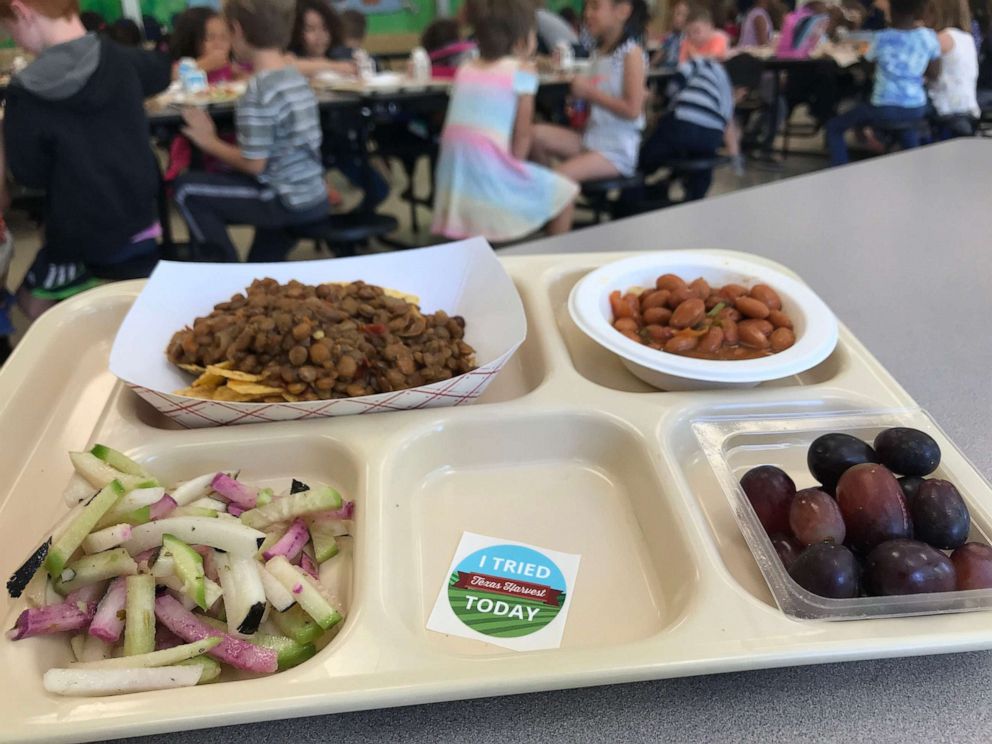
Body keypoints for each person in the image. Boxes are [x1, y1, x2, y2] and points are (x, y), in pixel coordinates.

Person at [0, 0, 171, 320]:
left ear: (22, 12)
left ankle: (84, 348)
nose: (12, 38)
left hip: (78, 235)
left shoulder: (24, 91)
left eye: (8, 29)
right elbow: (161, 72)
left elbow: (30, 175)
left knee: (32, 301)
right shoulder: (124, 58)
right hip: (142, 218)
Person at [174, 0, 328, 262]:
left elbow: (255, 165)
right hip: (314, 194)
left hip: (284, 198)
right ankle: (258, 274)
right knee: (262, 265)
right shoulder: (296, 78)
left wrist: (208, 141)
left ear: (237, 30)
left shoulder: (258, 91)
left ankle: (226, 272)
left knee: (186, 190)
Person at [431, 0, 578, 242]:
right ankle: (549, 259)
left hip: (453, 182)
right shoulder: (522, 70)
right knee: (566, 195)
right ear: (522, 41)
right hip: (491, 177)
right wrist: (516, 167)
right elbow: (523, 134)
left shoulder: (466, 67)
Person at [531, 0, 649, 234]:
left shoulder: (631, 54)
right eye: (588, 7)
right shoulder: (598, 52)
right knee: (534, 135)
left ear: (623, 11)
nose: (587, 14)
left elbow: (633, 109)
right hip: (591, 137)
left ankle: (557, 246)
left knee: (561, 178)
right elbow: (596, 102)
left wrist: (589, 93)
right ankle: (550, 207)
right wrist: (579, 109)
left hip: (615, 150)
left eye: (596, 7)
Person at [825, 0, 941, 164]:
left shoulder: (880, 39)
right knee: (907, 129)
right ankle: (916, 171)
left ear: (890, 12)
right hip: (915, 107)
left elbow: (866, 68)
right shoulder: (929, 37)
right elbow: (935, 73)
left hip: (883, 106)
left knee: (834, 127)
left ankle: (839, 172)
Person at [640, 57, 735, 200]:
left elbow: (678, 80)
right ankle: (695, 199)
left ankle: (632, 198)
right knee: (702, 168)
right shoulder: (726, 86)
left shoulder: (704, 62)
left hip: (683, 120)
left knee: (647, 157)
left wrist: (665, 99)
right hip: (712, 134)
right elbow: (727, 117)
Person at [926, 0, 980, 133]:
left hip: (945, 108)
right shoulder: (968, 38)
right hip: (968, 107)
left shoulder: (941, 39)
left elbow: (921, 70)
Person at [170, 6, 244, 83]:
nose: (218, 44)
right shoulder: (181, 65)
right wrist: (203, 65)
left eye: (224, 37)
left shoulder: (230, 67)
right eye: (210, 37)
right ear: (192, 39)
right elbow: (175, 75)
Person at [286, 0, 356, 77]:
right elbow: (288, 66)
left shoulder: (341, 53)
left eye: (325, 28)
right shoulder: (289, 55)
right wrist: (334, 66)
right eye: (311, 29)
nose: (320, 35)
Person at [653, 0, 690, 66]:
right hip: (664, 71)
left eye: (682, 14)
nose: (676, 18)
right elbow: (659, 55)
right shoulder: (671, 36)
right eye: (675, 14)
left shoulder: (690, 38)